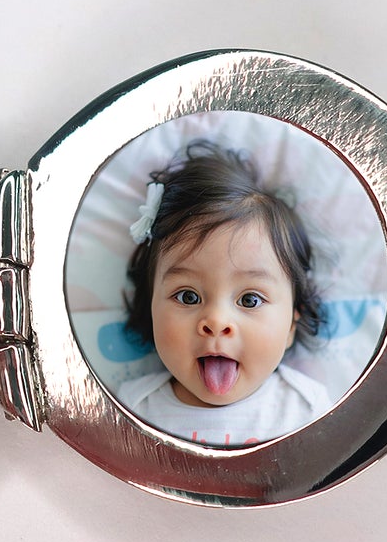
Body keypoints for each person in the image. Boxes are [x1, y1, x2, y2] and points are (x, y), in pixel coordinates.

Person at [114, 140, 331, 447]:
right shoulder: (132, 409)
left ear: (290, 328)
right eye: (188, 296)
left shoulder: (307, 409)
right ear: (151, 310)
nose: (216, 321)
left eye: (249, 300)